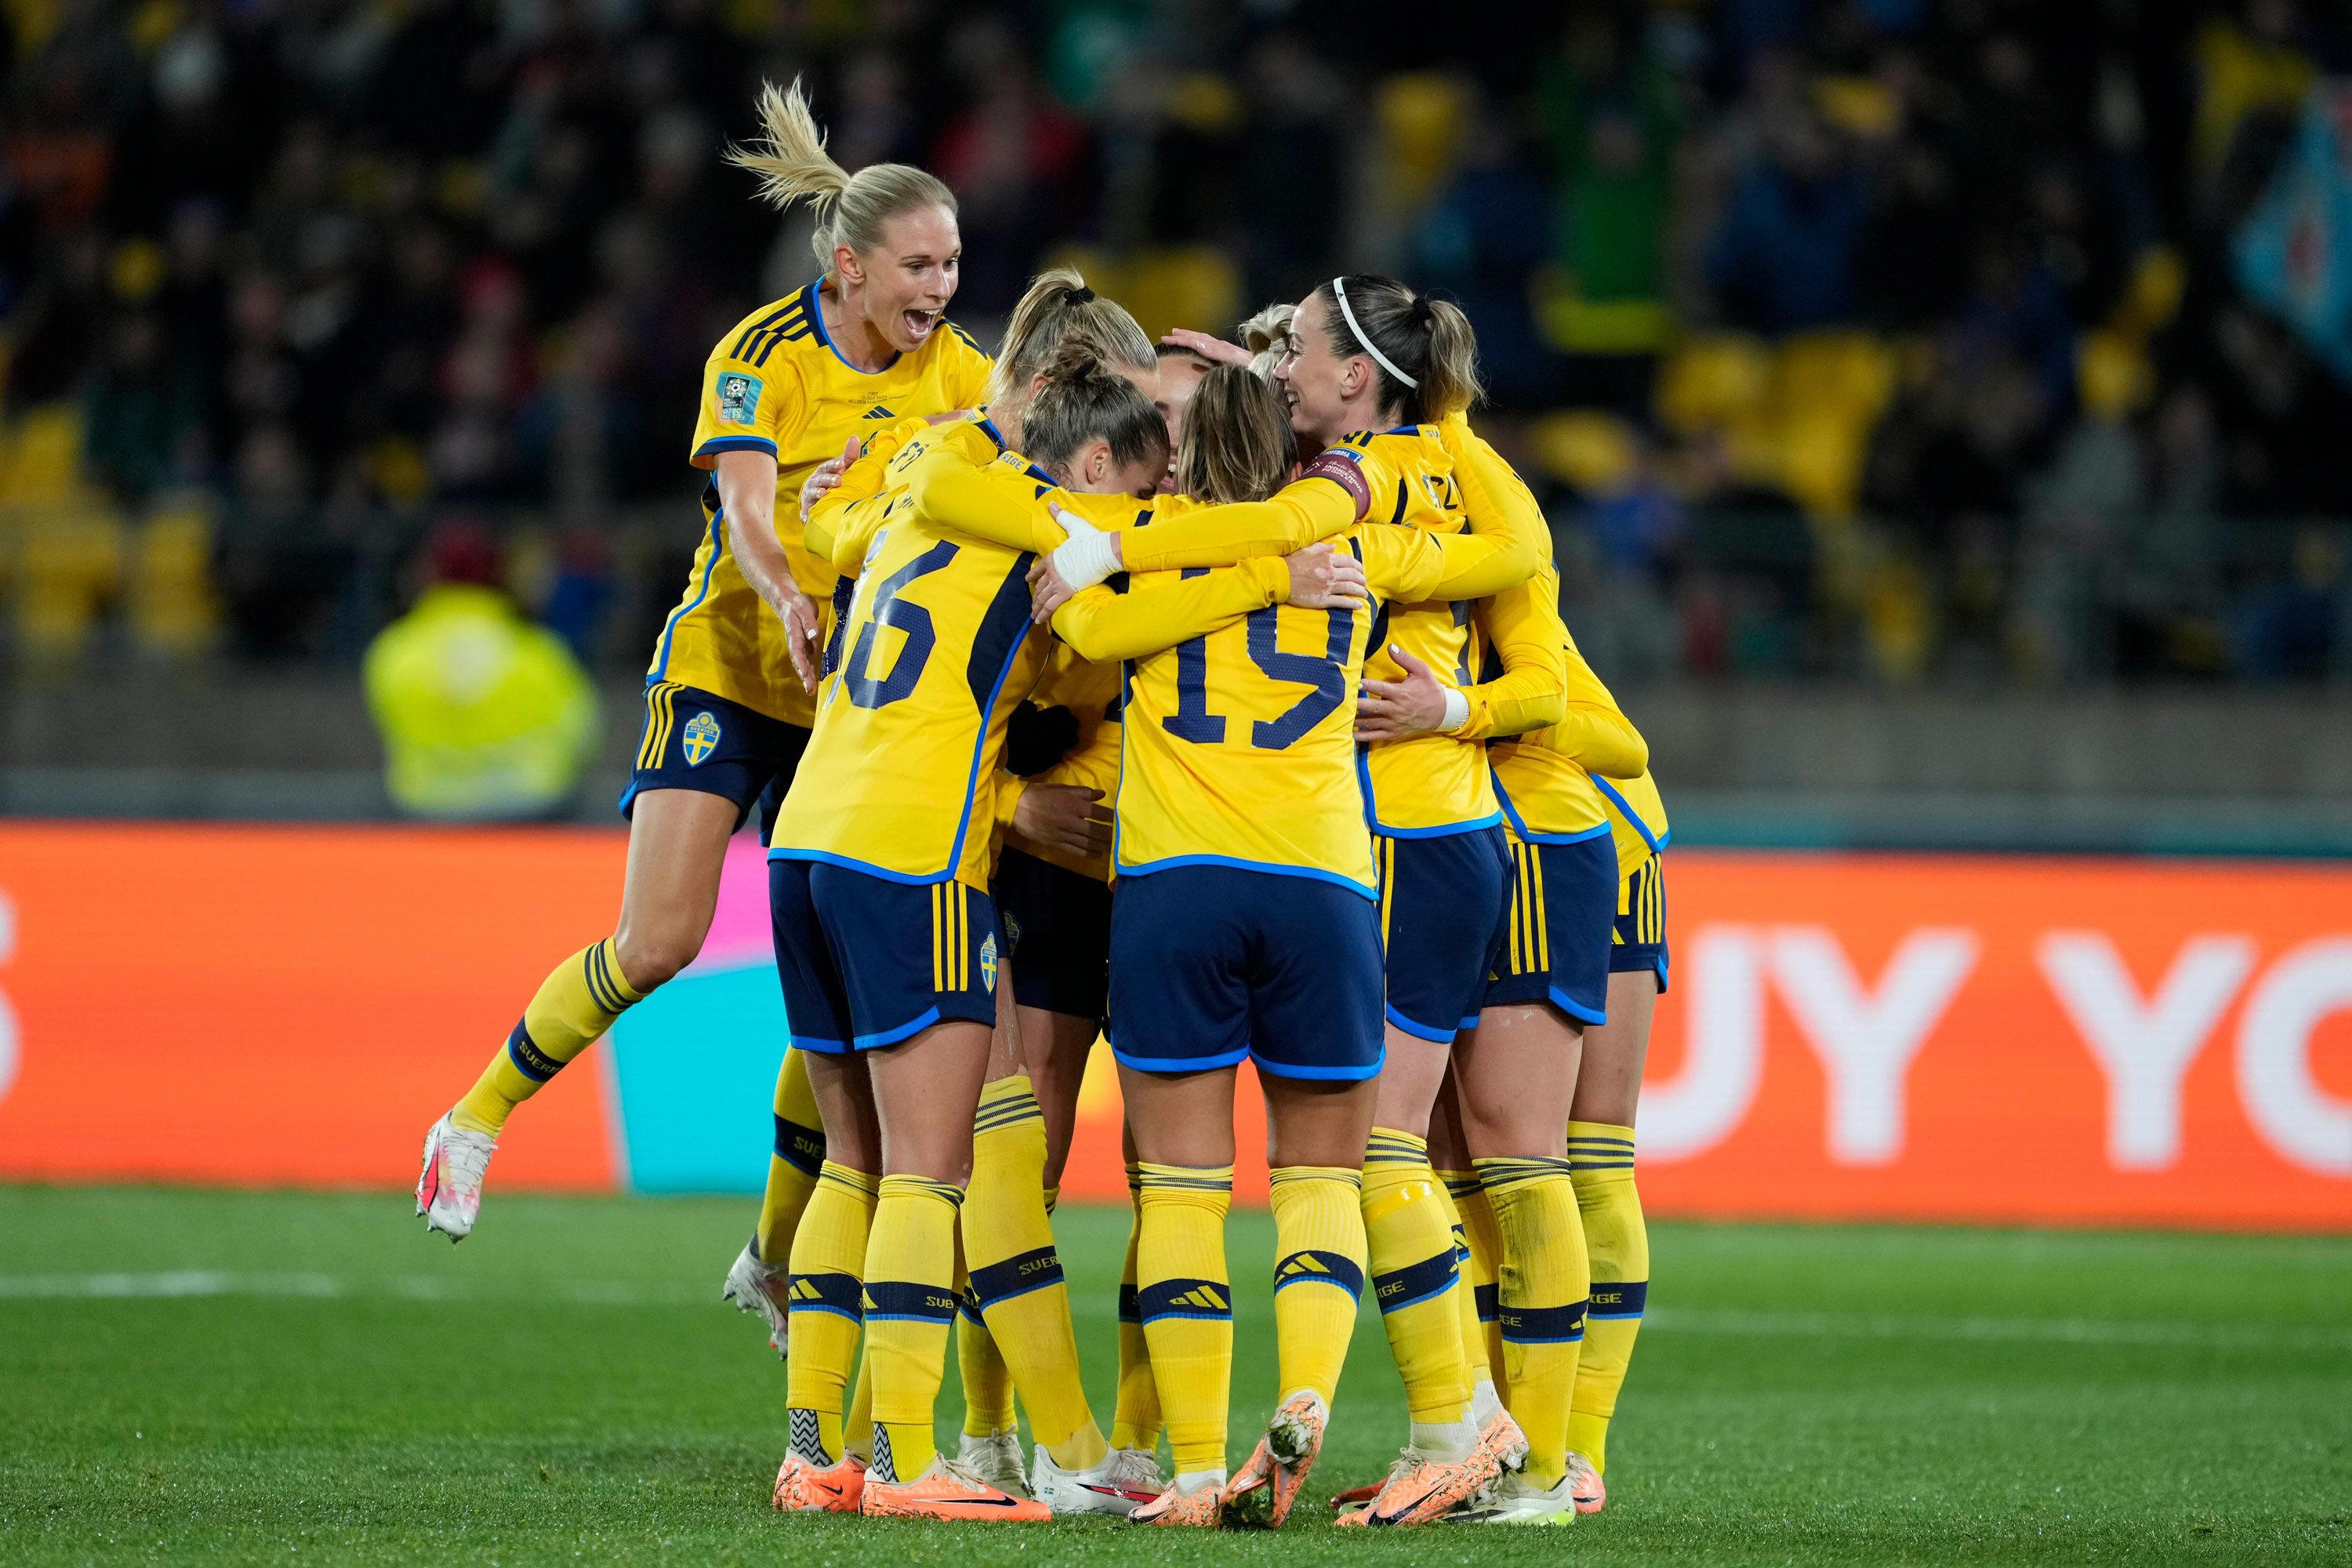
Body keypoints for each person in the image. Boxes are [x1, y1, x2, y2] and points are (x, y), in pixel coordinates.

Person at [913, 361, 1540, 1526]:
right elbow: (1505, 558)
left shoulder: (1156, 551)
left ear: (1190, 460)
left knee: (1187, 1194)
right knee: (1320, 1180)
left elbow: (1083, 616)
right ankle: (1306, 1394)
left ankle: (1196, 1470)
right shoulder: (1347, 576)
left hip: (1176, 889)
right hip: (1325, 888)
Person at [413, 76, 989, 1249]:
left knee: (843, 994)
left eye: (951, 264)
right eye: (918, 267)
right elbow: (744, 504)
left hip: (855, 702)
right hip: (732, 663)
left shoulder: (965, 374)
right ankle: (473, 1123)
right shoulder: (764, 349)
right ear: (851, 267)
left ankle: (776, 1254)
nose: (939, 289)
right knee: (661, 941)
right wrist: (784, 592)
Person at [762, 270, 1163, 1516]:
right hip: (917, 856)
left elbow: (859, 520)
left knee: (852, 1166)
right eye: (1141, 477)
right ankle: (904, 1462)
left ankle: (812, 1452)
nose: (1147, 501)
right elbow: (1111, 654)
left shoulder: (919, 498)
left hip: (805, 838)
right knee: (931, 1174)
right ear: (1089, 444)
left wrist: (827, 507)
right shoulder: (1053, 540)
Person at [362, 523, 599, 823]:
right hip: (529, 812)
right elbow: (583, 732)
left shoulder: (392, 653)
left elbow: (389, 727)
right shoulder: (541, 654)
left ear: (427, 573)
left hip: (426, 808)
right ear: (499, 574)